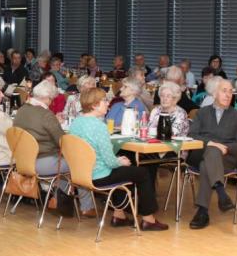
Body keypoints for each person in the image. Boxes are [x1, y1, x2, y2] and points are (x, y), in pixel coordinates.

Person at [69, 88, 168, 230]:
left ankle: (119, 215)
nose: (108, 103)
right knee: (142, 173)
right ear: (94, 105)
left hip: (81, 174)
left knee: (124, 170)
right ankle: (148, 219)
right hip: (99, 175)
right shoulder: (99, 127)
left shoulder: (76, 123)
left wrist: (119, 162)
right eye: (104, 100)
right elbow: (110, 162)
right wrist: (119, 161)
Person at [13, 80, 94, 215]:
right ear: (46, 97)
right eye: (51, 99)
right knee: (80, 163)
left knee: (65, 165)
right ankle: (86, 207)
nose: (51, 102)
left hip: (23, 161)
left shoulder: (22, 110)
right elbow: (62, 141)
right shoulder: (46, 115)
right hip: (43, 163)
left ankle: (58, 201)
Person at [186, 77, 237, 230]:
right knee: (211, 153)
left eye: (230, 92)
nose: (228, 95)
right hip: (200, 152)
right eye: (224, 91)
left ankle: (203, 211)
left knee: (206, 165)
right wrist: (211, 144)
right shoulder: (202, 112)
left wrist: (226, 148)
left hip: (225, 158)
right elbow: (191, 135)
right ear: (214, 93)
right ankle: (221, 192)